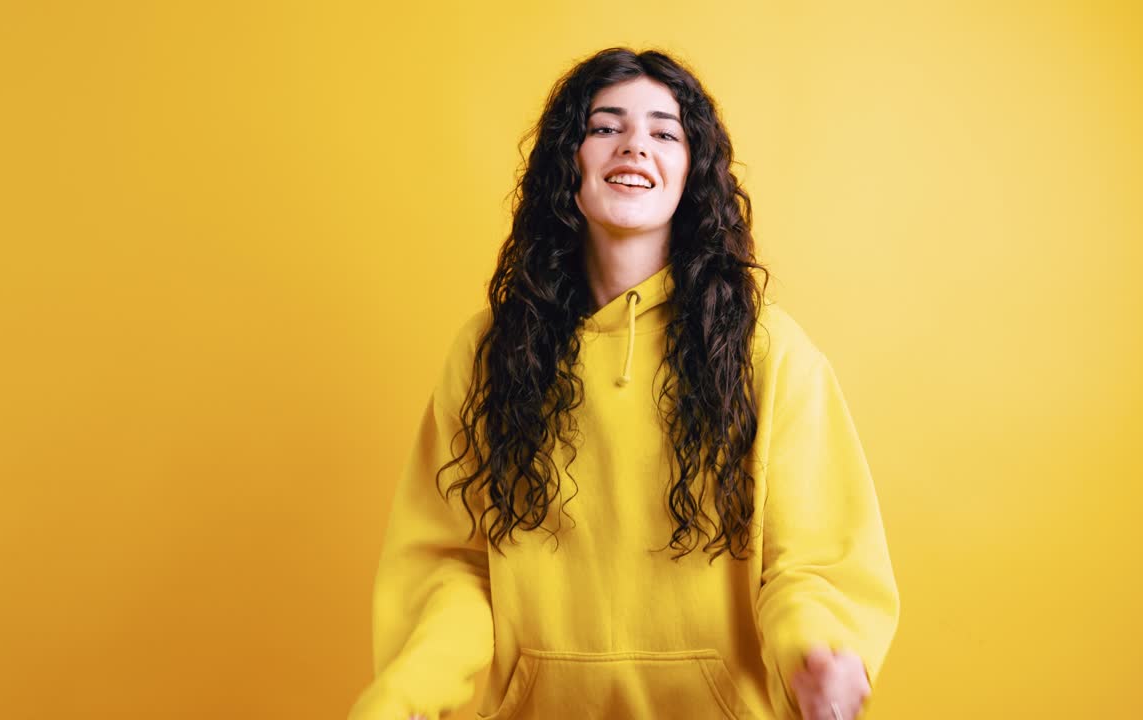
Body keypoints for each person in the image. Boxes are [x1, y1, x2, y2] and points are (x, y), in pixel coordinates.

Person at [347, 47, 900, 720]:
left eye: (665, 132)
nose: (635, 144)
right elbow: (454, 568)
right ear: (567, 161)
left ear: (692, 173)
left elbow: (809, 562)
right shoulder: (491, 351)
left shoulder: (767, 352)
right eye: (606, 126)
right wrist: (404, 697)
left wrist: (815, 652)